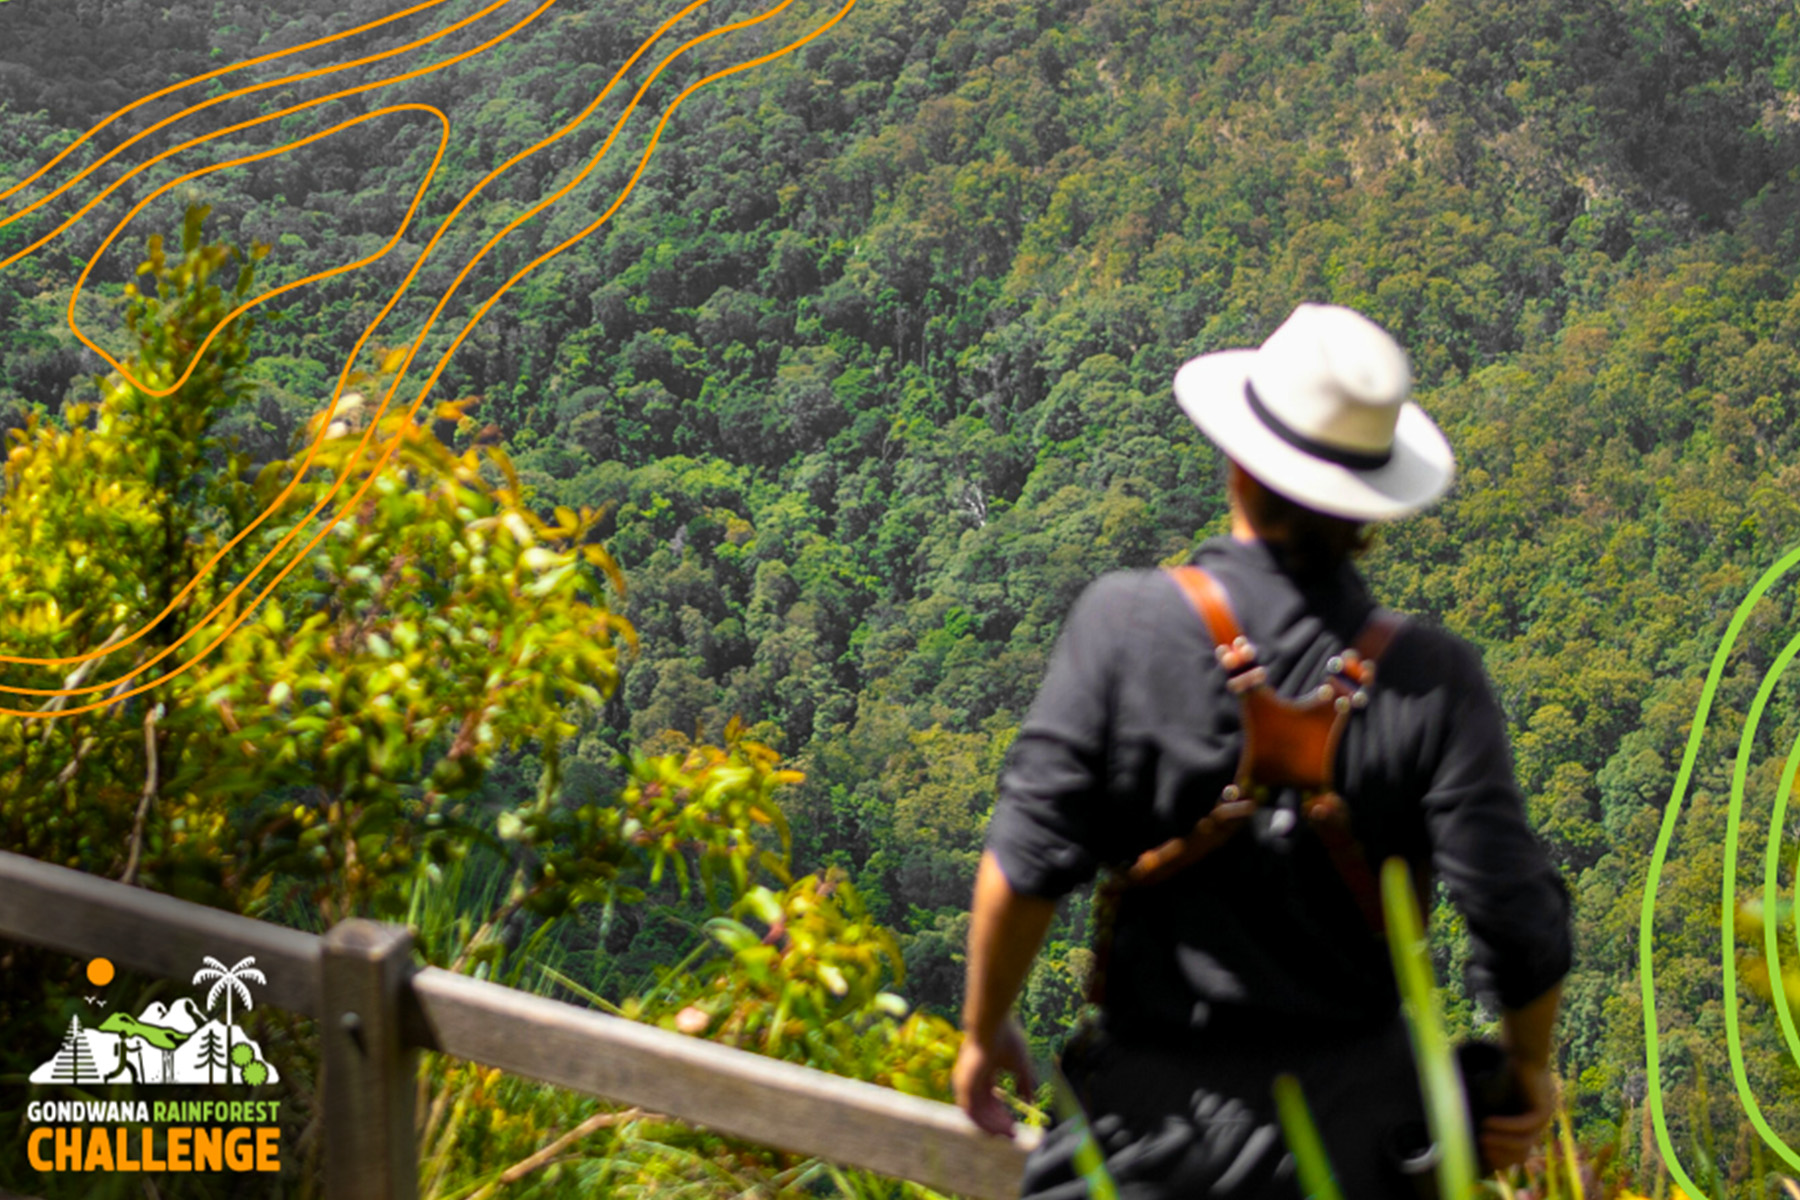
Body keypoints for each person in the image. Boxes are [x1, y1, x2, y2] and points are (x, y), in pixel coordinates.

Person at [953, 303, 1572, 1198]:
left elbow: (1024, 864)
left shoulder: (1125, 625)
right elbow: (1518, 919)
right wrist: (1525, 1074)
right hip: (1359, 1152)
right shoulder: (1436, 679)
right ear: (1372, 504)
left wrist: (985, 1030)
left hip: (1145, 1140)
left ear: (1241, 461)